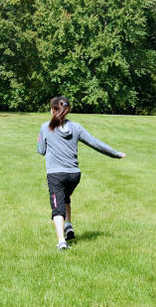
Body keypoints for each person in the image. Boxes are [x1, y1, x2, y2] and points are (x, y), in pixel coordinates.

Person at [37, 96, 125, 250]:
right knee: (65, 197)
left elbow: (41, 151)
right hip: (74, 176)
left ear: (52, 110)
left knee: (57, 208)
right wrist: (116, 153)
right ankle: (69, 225)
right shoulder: (76, 127)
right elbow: (95, 143)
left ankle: (61, 241)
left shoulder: (46, 127)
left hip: (56, 175)